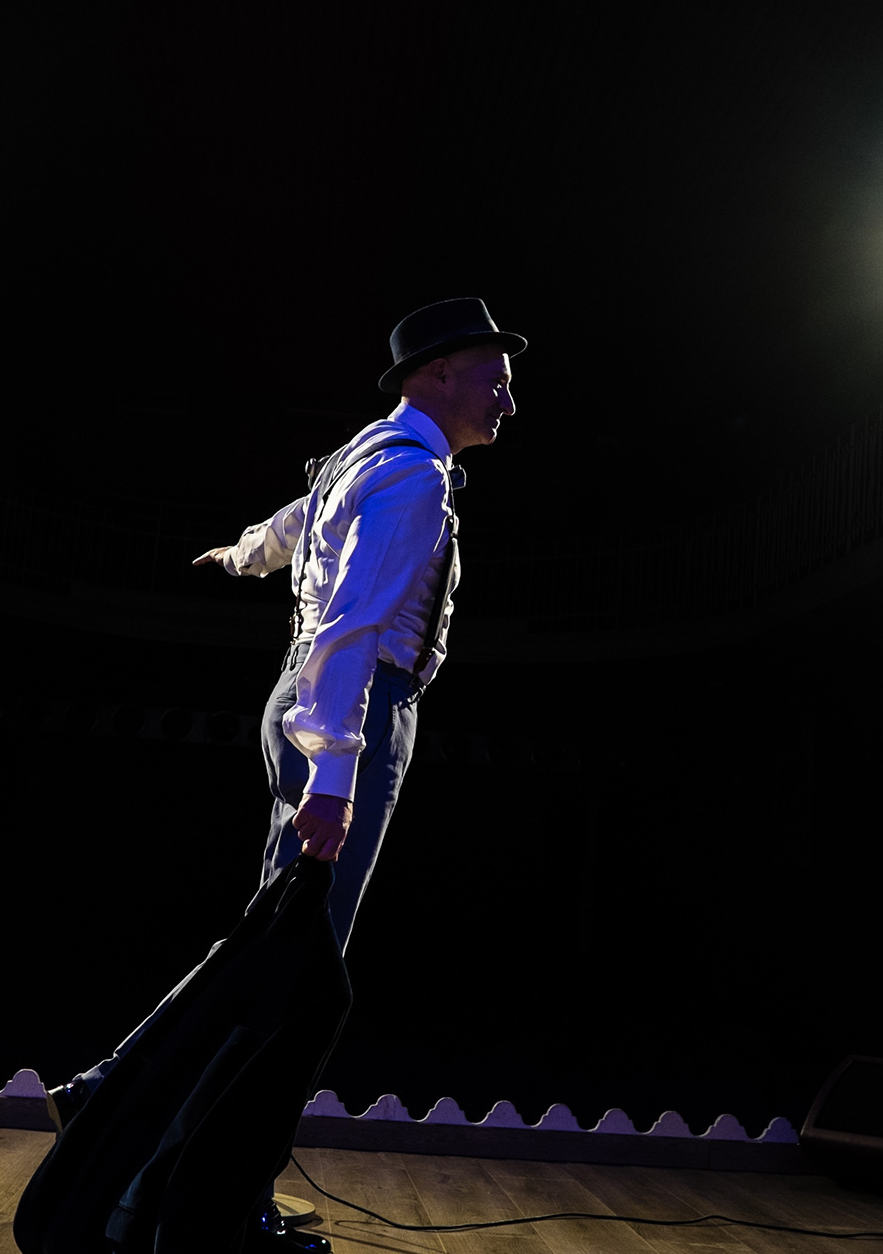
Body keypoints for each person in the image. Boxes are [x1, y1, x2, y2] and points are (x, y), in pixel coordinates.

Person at [48, 297, 525, 1118]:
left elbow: (298, 522)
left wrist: (240, 555)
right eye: (497, 381)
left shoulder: (365, 453)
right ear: (442, 372)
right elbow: (354, 621)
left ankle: (121, 1096)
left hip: (303, 690)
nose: (508, 402)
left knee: (274, 937)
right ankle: (181, 1138)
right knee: (299, 955)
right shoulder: (413, 475)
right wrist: (335, 773)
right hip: (355, 702)